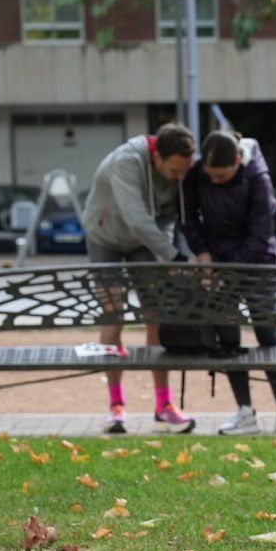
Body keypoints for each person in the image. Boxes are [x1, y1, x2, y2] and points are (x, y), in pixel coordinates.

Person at [181, 131, 276, 436]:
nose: (216, 181)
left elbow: (261, 233)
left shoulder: (257, 178)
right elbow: (187, 219)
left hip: (257, 262)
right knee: (228, 338)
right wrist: (203, 253)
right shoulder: (197, 175)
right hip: (218, 264)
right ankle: (245, 411)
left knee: (267, 331)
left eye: (222, 176)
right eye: (211, 177)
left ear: (238, 160)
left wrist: (227, 268)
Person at [81, 123, 199, 434]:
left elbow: (167, 219)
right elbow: (136, 219)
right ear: (157, 156)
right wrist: (174, 256)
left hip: (143, 244)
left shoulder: (178, 169)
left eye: (184, 171)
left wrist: (168, 251)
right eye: (174, 171)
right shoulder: (127, 162)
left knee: (155, 315)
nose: (179, 178)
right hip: (105, 236)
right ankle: (116, 407)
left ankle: (164, 404)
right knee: (113, 318)